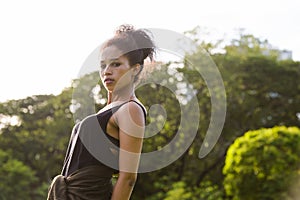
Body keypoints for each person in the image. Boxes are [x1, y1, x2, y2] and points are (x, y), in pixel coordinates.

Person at [47, 24, 156, 200]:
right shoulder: (109, 109)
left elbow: (128, 177)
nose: (107, 71)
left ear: (135, 69)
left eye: (116, 64)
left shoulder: (131, 109)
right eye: (103, 65)